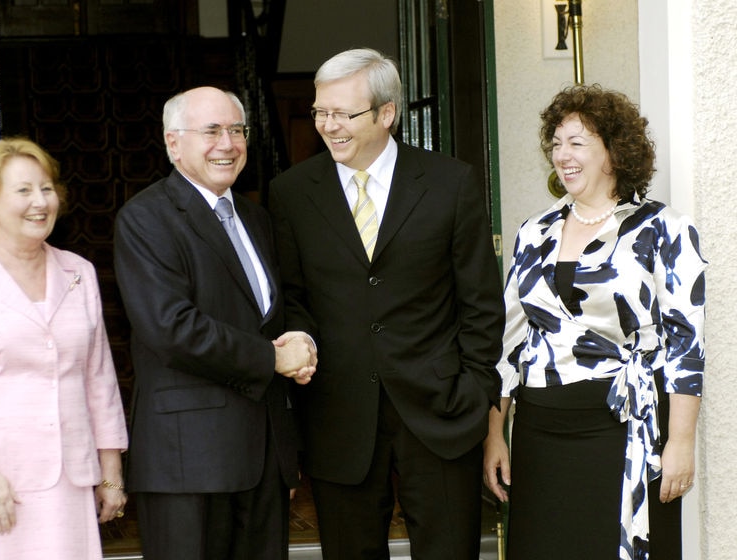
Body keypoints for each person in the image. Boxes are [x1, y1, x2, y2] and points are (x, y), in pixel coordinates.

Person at [269, 48, 505, 559]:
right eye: (320, 112)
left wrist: (475, 390)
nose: (329, 126)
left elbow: (481, 303)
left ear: (386, 114)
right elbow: (292, 296)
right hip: (339, 414)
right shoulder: (291, 192)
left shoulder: (450, 182)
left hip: (442, 411)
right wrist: (303, 342)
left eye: (342, 114)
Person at [483, 84, 706, 560]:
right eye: (556, 143)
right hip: (540, 435)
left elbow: (686, 348)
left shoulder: (665, 229)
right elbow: (506, 344)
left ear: (614, 151)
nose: (562, 155)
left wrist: (682, 443)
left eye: (577, 143)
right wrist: (493, 434)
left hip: (622, 430)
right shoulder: (534, 230)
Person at [113, 86, 317, 560]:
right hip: (189, 461)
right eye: (211, 131)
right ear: (173, 143)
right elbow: (172, 327)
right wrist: (272, 357)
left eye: (236, 130)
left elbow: (275, 312)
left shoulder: (255, 217)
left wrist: (301, 340)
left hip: (263, 455)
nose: (227, 143)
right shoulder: (146, 219)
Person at [0, 138, 129, 560]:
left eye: (46, 188)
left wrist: (111, 472)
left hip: (68, 483)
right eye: (24, 190)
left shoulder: (78, 273)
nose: (40, 202)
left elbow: (98, 379)